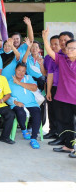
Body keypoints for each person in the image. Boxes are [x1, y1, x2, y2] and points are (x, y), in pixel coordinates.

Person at [42, 28, 76, 158]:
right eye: (68, 48)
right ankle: (68, 146)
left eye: (73, 48)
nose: (70, 51)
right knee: (67, 123)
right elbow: (50, 52)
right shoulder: (62, 60)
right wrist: (45, 38)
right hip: (64, 98)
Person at [7, 63, 41, 149]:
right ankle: (24, 129)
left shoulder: (28, 78)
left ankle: (33, 139)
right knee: (20, 112)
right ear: (15, 69)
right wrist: (15, 102)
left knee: (37, 113)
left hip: (31, 103)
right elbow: (7, 96)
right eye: (19, 70)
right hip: (17, 104)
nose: (21, 73)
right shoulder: (9, 82)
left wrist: (19, 83)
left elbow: (34, 88)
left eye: (23, 71)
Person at [43, 35, 60, 139]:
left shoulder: (63, 57)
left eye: (56, 44)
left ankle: (61, 134)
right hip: (51, 87)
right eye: (51, 44)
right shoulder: (47, 58)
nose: (53, 46)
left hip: (61, 88)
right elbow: (46, 73)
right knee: (51, 110)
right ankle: (52, 131)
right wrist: (48, 90)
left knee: (61, 112)